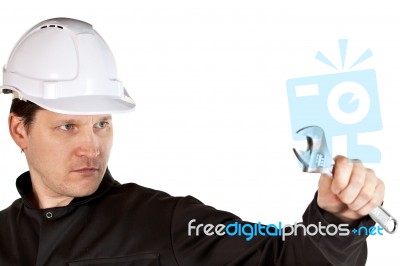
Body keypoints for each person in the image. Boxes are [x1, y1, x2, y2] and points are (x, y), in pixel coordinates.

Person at [0, 17, 384, 266]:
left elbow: (283, 260)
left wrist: (337, 219)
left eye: (101, 123)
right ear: (20, 130)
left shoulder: (165, 222)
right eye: (68, 127)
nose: (92, 147)